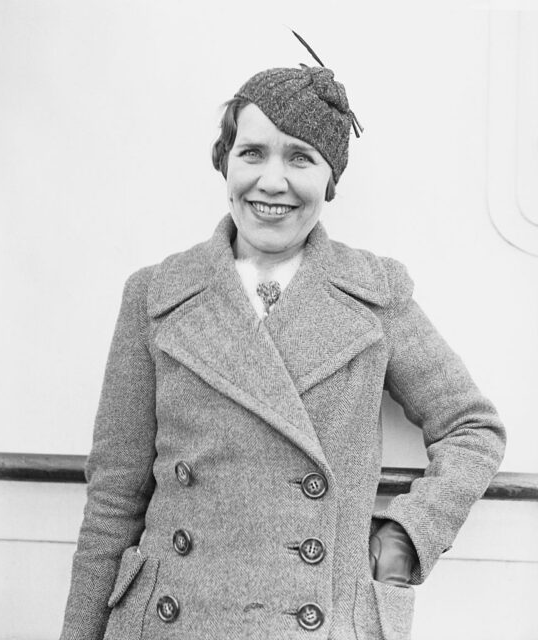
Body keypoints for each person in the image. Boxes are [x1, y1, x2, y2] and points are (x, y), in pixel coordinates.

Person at [59, 63, 505, 640]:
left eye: (300, 157)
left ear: (330, 179)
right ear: (224, 162)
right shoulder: (154, 295)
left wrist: (404, 538)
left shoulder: (376, 295)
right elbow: (114, 498)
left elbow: (473, 428)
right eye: (252, 153)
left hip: (317, 620)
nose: (272, 181)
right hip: (168, 622)